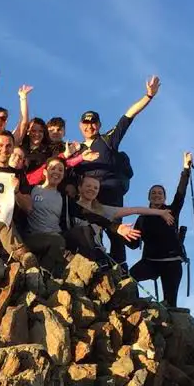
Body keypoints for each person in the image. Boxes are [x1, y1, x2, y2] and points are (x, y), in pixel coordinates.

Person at [71, 76, 161, 265]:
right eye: (86, 124)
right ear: (80, 126)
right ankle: (97, 264)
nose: (90, 126)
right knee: (90, 229)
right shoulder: (75, 150)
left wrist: (148, 96)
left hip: (110, 193)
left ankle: (120, 271)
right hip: (89, 196)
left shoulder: (107, 140)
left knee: (117, 233)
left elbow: (128, 117)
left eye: (93, 122)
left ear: (99, 125)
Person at [24, 160, 141, 267]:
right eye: (53, 168)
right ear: (45, 172)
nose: (56, 172)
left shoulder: (64, 198)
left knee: (84, 230)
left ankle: (93, 267)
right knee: (57, 241)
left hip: (59, 236)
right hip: (35, 237)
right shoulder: (32, 190)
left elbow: (86, 214)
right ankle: (45, 273)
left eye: (60, 170)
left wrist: (116, 227)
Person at [127, 152, 193, 307]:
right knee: (129, 278)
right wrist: (123, 233)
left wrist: (186, 169)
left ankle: (169, 327)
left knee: (170, 304)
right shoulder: (142, 218)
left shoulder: (172, 211)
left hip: (172, 263)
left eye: (160, 193)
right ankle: (134, 306)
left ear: (164, 197)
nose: (157, 195)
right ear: (149, 197)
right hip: (150, 262)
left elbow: (181, 193)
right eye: (153, 193)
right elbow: (134, 244)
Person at [74, 174, 173, 267]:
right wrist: (116, 228)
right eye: (88, 186)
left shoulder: (101, 209)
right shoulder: (70, 205)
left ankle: (120, 267)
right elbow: (88, 216)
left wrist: (161, 212)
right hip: (77, 251)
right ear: (79, 188)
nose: (92, 189)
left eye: (96, 188)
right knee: (85, 230)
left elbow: (135, 210)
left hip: (97, 254)